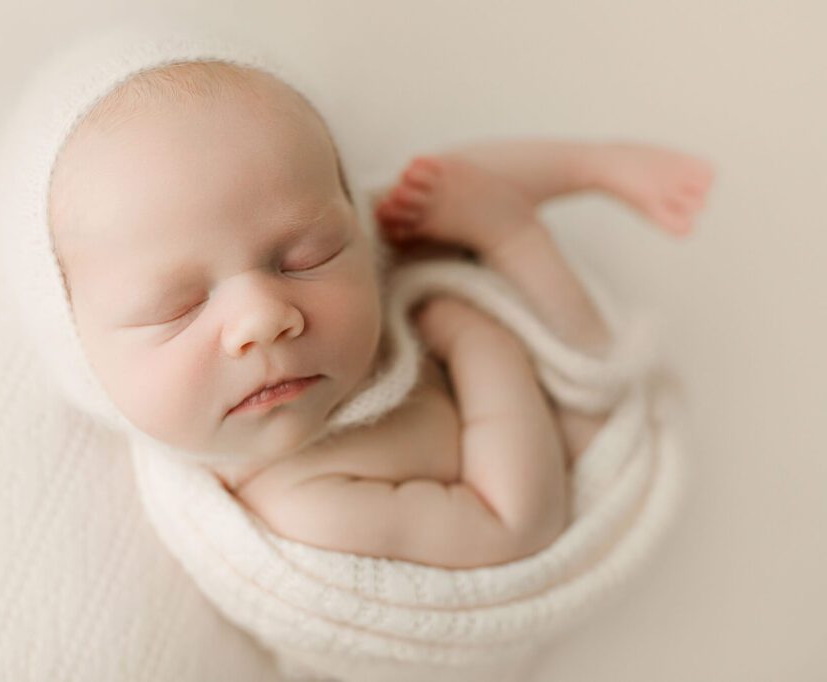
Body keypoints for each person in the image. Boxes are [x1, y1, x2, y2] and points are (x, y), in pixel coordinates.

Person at [47, 59, 713, 569]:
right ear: (82, 347)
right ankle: (512, 236)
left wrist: (585, 168)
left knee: (440, 195)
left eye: (304, 257)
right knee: (588, 391)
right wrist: (479, 344)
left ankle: (590, 162)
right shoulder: (302, 502)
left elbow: (427, 194)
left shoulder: (340, 238)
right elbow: (519, 525)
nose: (262, 318)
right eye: (179, 307)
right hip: (559, 457)